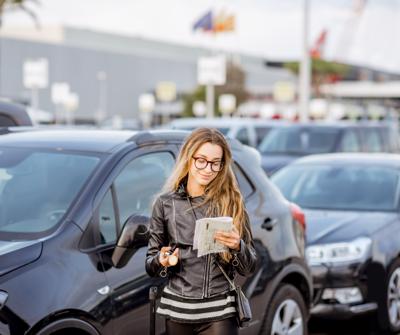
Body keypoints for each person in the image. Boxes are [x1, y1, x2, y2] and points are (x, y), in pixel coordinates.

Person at [145, 128, 257, 335]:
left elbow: (249, 267)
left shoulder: (232, 203)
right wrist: (162, 260)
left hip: (220, 312)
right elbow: (150, 265)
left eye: (216, 163)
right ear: (189, 158)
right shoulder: (165, 204)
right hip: (179, 311)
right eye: (202, 160)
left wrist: (237, 246)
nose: (208, 169)